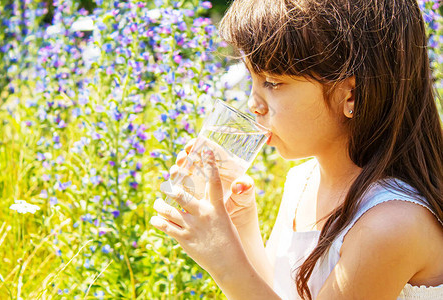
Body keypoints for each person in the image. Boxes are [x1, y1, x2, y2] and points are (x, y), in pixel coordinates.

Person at [150, 0, 443, 299]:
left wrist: (224, 261)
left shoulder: (391, 224)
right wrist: (242, 226)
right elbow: (278, 293)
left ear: (351, 95)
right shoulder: (303, 181)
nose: (254, 104)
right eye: (252, 79)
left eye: (273, 83)